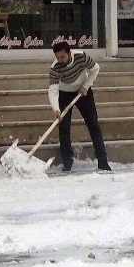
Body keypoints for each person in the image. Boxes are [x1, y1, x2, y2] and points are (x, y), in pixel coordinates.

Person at [48, 41, 111, 172]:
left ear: (69, 53)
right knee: (64, 128)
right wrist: (56, 109)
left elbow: (95, 68)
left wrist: (86, 86)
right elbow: (53, 90)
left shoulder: (81, 57)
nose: (60, 60)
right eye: (57, 57)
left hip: (83, 92)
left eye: (62, 57)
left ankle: (103, 162)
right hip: (64, 94)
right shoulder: (55, 68)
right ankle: (67, 162)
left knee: (93, 124)